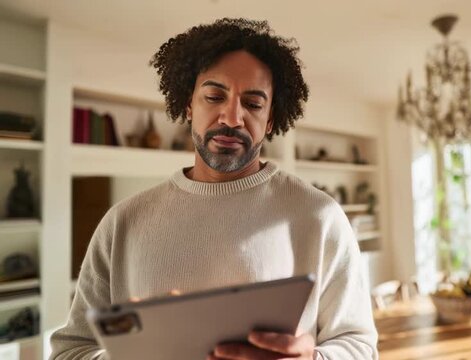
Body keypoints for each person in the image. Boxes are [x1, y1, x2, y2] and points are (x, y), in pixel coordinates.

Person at [50, 18, 378, 359]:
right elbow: (69, 350)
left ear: (269, 120)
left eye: (252, 104)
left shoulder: (320, 217)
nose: (231, 117)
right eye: (213, 95)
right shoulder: (122, 224)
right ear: (189, 105)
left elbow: (359, 347)